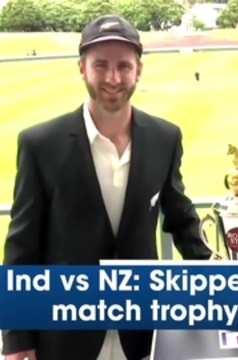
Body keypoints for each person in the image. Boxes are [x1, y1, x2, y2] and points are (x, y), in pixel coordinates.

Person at [2, 14, 219, 360]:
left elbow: (179, 217)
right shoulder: (40, 144)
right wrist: (15, 338)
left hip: (143, 332)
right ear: (81, 68)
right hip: (66, 333)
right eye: (100, 65)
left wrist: (217, 269)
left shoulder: (165, 137)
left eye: (124, 66)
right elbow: (21, 247)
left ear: (139, 70)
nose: (113, 78)